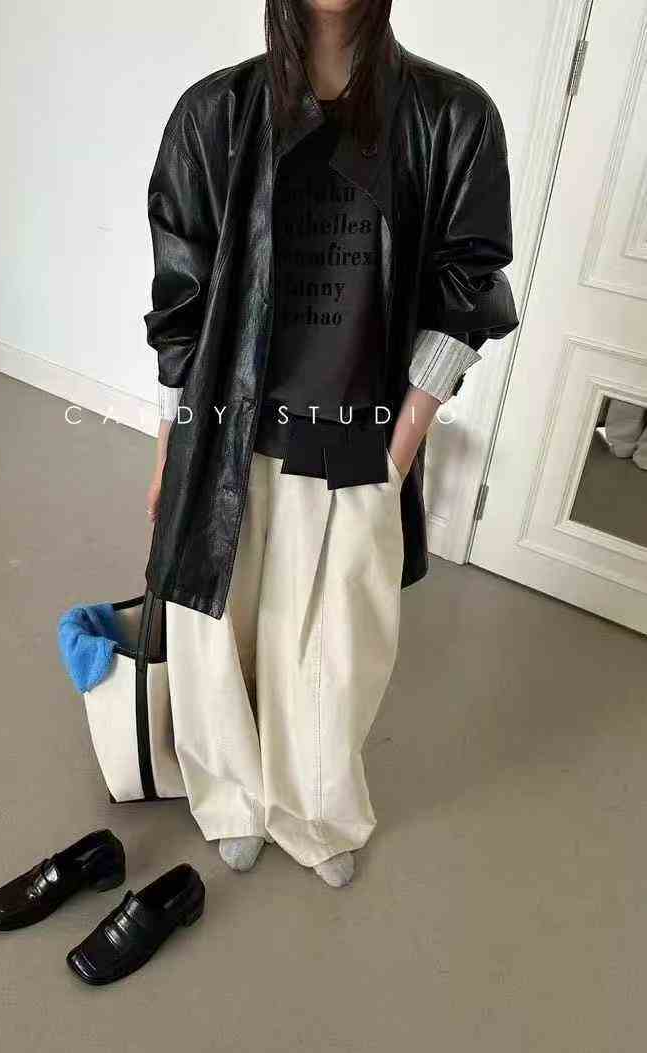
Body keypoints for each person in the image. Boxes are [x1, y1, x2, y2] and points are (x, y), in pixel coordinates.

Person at [143, 0, 518, 887]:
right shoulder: (215, 114)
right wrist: (170, 445)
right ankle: (232, 796)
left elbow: (466, 295)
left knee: (336, 644)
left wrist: (403, 446)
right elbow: (181, 307)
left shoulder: (452, 117)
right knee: (217, 629)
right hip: (229, 428)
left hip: (359, 436)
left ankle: (314, 809)